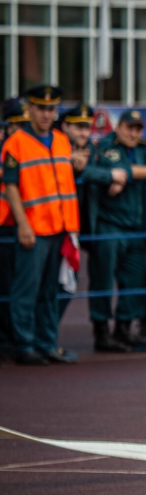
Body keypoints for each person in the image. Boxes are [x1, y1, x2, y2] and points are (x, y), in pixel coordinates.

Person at [0, 86, 83, 365]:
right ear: (30, 109)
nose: (46, 114)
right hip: (34, 229)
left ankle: (46, 342)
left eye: (51, 109)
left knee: (50, 291)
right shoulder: (17, 142)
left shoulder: (61, 140)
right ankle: (23, 345)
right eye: (41, 108)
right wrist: (22, 224)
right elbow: (10, 186)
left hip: (59, 226)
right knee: (26, 289)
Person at [86, 110, 146, 352]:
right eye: (129, 127)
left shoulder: (144, 147)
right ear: (119, 127)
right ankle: (101, 331)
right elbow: (123, 169)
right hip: (110, 224)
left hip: (137, 227)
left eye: (138, 128)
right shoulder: (108, 145)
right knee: (102, 280)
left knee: (135, 281)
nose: (133, 133)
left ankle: (123, 328)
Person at [58, 104, 107, 324]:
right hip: (58, 228)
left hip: (86, 225)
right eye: (78, 127)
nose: (83, 132)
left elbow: (115, 169)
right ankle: (41, 340)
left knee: (72, 283)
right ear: (65, 126)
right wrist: (71, 164)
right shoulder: (57, 148)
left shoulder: (94, 149)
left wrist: (90, 171)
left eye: (86, 127)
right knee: (59, 285)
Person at [0, 97, 31, 360]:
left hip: (19, 225)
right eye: (17, 125)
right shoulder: (7, 150)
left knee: (15, 285)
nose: (22, 130)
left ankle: (12, 337)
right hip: (5, 225)